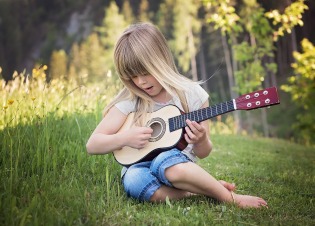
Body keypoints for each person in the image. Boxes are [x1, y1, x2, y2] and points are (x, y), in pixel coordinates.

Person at [86, 22, 268, 208]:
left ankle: (231, 198)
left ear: (161, 60)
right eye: (133, 76)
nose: (141, 82)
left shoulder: (191, 94)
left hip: (177, 165)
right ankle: (198, 190)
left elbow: (203, 153)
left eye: (145, 72)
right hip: (138, 165)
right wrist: (124, 138)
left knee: (166, 162)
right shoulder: (130, 101)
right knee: (133, 180)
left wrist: (200, 140)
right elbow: (92, 145)